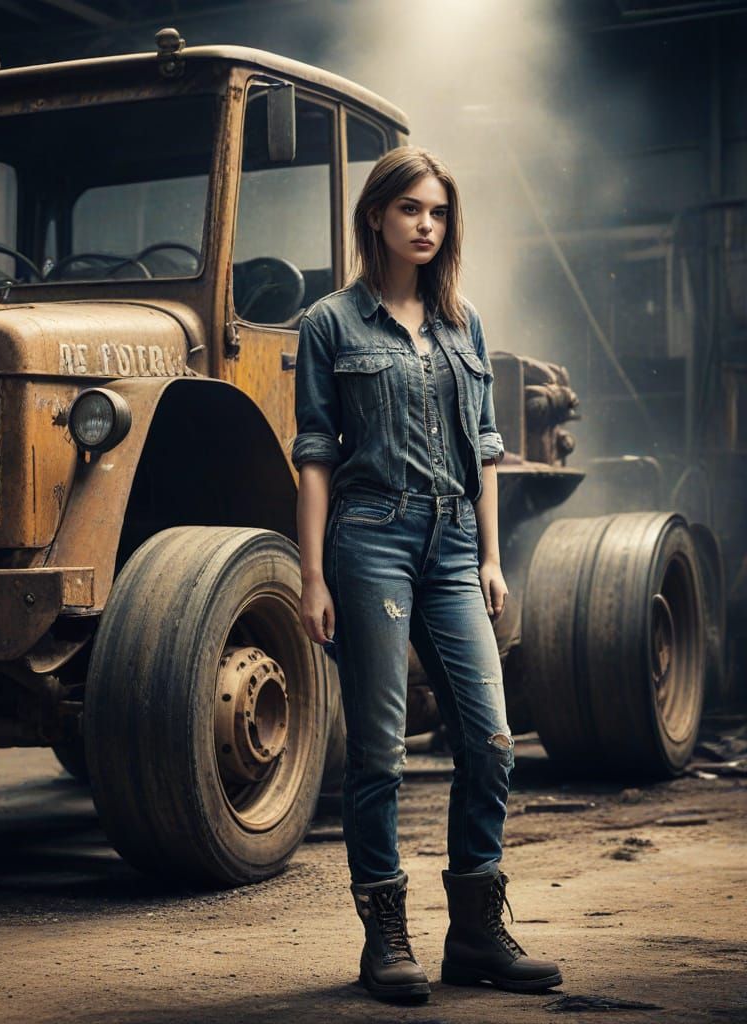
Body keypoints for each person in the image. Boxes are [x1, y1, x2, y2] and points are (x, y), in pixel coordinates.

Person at [292, 146, 562, 1004]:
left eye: (438, 212)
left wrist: (488, 555)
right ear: (376, 214)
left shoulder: (464, 323)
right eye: (410, 208)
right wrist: (312, 576)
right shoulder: (330, 323)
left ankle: (476, 932)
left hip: (452, 548)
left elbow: (485, 449)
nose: (426, 225)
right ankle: (386, 939)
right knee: (379, 752)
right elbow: (315, 458)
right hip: (367, 540)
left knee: (488, 740)